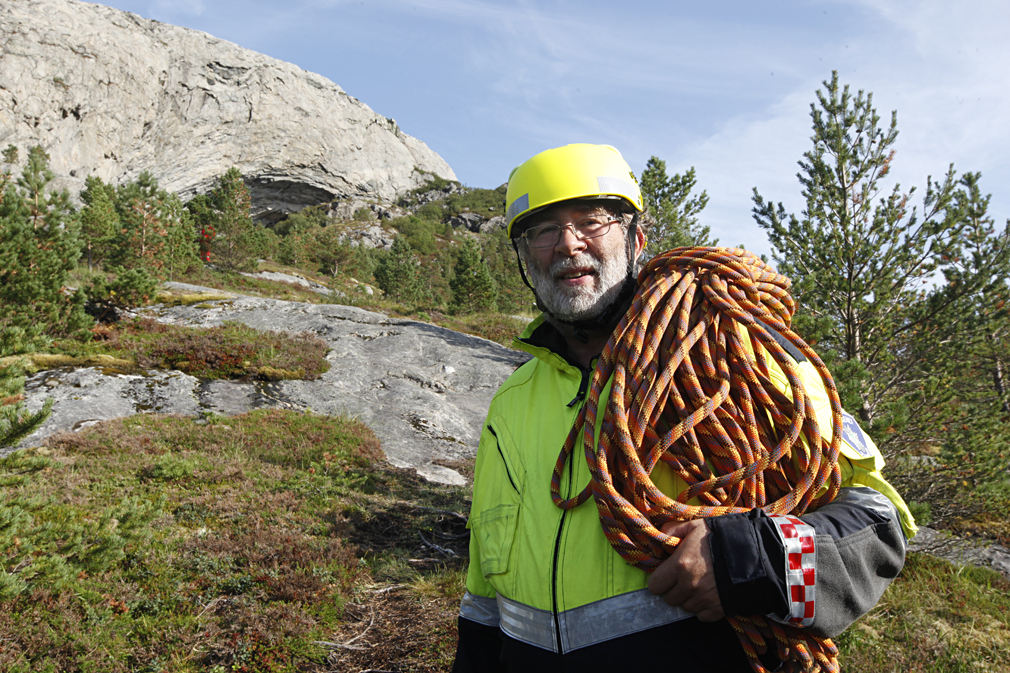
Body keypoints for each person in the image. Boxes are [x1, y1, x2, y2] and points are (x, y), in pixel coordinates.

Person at [451, 143, 916, 672]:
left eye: (593, 221)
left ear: (636, 240)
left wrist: (754, 560)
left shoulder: (734, 359)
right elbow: (484, 599)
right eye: (543, 231)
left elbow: (880, 522)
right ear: (523, 257)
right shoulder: (511, 405)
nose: (568, 244)